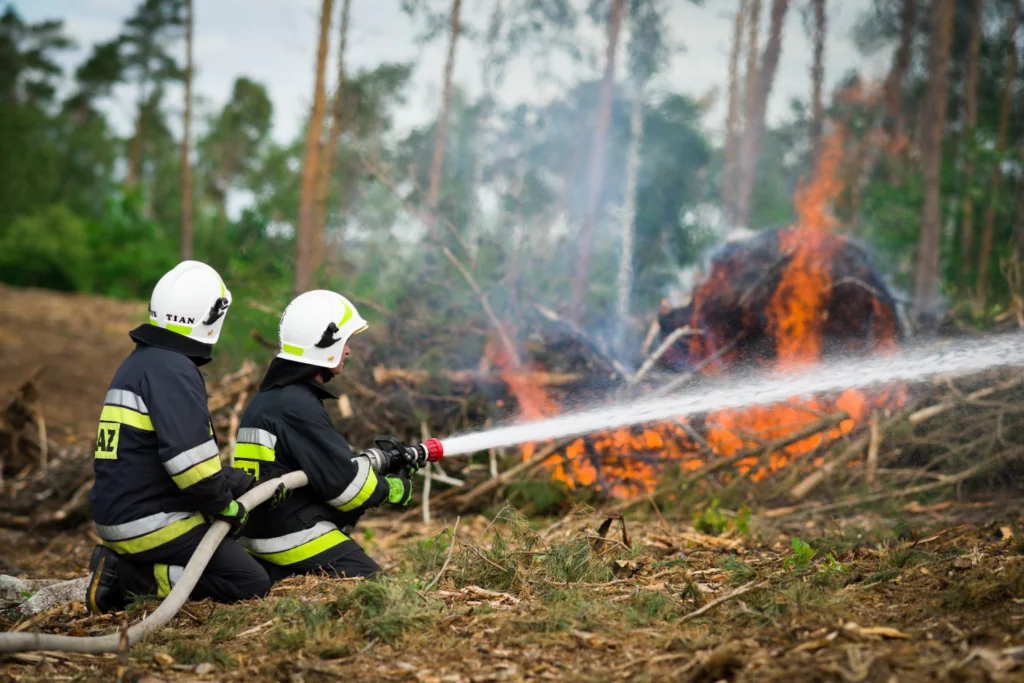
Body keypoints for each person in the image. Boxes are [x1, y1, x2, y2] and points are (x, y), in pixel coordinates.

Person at [86, 261, 271, 614]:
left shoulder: (141, 362)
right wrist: (226, 507)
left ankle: (122, 567)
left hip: (123, 514)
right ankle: (124, 579)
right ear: (212, 315)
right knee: (249, 581)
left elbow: (178, 458)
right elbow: (191, 467)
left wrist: (245, 484)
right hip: (149, 522)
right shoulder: (173, 369)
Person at [231, 290, 414, 582]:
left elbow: (323, 468)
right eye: (345, 342)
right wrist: (392, 490)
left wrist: (381, 464)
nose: (349, 351)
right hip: (289, 534)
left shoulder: (271, 398)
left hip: (259, 533)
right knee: (376, 587)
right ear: (325, 343)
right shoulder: (296, 405)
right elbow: (346, 489)